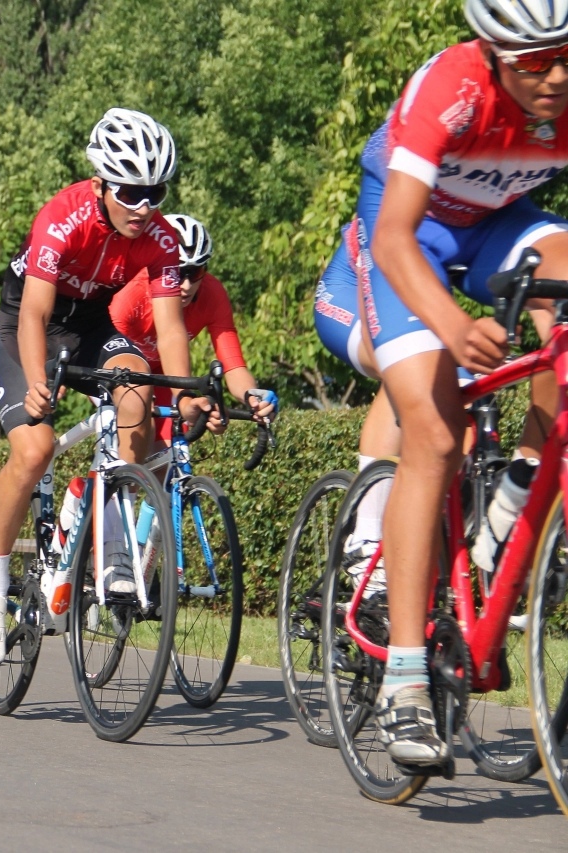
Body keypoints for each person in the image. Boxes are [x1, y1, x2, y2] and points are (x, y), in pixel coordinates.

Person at [311, 0, 568, 767]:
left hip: (500, 225)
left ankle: (517, 499)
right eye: (531, 63)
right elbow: (392, 236)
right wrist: (452, 327)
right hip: (403, 236)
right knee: (434, 427)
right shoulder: (452, 87)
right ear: (493, 54)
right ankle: (406, 679)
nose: (554, 77)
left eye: (565, 54)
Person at [0, 107, 210, 665]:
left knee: (138, 395)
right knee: (35, 450)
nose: (144, 206)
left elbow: (171, 328)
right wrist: (36, 385)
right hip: (29, 325)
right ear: (101, 183)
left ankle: (117, 553)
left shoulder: (162, 238)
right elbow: (33, 313)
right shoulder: (62, 216)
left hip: (91, 326)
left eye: (156, 191)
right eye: (130, 191)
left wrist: (187, 393)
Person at [110, 213, 277, 442]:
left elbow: (233, 366)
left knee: (166, 456)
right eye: (177, 272)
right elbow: (102, 354)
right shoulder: (130, 296)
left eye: (195, 272)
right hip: (122, 370)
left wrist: (253, 397)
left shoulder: (213, 294)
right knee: (140, 429)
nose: (187, 285)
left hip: (166, 376)